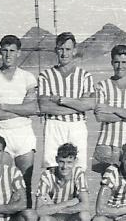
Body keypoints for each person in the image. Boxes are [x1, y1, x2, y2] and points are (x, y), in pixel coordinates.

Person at [0, 35, 38, 207]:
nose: (8, 55)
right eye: (4, 50)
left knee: (25, 183)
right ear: (0, 52)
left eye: (12, 51)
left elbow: (32, 109)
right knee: (1, 182)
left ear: (18, 53)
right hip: (1, 134)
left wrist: (4, 106)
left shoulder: (27, 77)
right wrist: (20, 110)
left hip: (24, 134)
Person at [37, 32, 95, 171]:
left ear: (74, 50)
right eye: (61, 49)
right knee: (52, 167)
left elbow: (91, 104)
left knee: (78, 168)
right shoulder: (46, 75)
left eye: (68, 49)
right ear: (56, 50)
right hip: (54, 125)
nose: (64, 53)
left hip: (77, 125)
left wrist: (62, 100)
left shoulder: (84, 76)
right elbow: (44, 107)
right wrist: (78, 105)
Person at [92, 45, 126, 175]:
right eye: (116, 62)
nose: (120, 66)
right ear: (112, 62)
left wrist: (111, 109)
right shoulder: (102, 86)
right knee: (107, 185)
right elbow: (100, 116)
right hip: (106, 144)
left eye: (124, 62)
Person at [35, 143, 92, 221]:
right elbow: (39, 210)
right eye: (61, 161)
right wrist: (68, 203)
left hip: (68, 220)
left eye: (69, 162)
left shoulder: (78, 173)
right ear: (56, 159)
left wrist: (53, 208)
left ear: (75, 161)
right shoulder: (47, 175)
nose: (65, 166)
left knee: (85, 217)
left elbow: (85, 205)